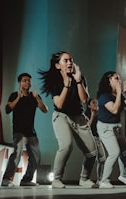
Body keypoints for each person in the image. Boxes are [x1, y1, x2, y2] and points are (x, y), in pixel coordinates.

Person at [39, 51, 97, 189]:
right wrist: (66, 84)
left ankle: (84, 179)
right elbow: (59, 104)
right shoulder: (55, 81)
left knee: (92, 152)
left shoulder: (80, 77)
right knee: (66, 145)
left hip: (79, 117)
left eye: (71, 60)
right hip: (62, 116)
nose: (70, 62)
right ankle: (57, 179)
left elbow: (84, 99)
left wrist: (77, 81)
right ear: (58, 65)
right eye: (65, 60)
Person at [1, 73, 48, 187]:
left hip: (31, 131)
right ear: (20, 83)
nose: (27, 83)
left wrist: (37, 97)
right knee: (17, 154)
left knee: (36, 157)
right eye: (25, 80)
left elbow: (45, 109)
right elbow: (8, 109)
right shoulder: (14, 95)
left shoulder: (34, 96)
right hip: (18, 131)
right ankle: (6, 179)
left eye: (29, 81)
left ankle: (26, 180)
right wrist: (18, 97)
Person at [96, 71, 126, 188]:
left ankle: (124, 175)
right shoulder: (104, 96)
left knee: (125, 152)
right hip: (105, 127)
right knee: (114, 152)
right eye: (116, 78)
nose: (120, 81)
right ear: (109, 81)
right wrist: (119, 93)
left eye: (119, 78)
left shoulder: (120, 95)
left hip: (117, 127)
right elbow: (114, 110)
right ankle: (104, 180)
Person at [85, 98, 106, 185]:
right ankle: (85, 178)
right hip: (90, 138)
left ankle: (100, 180)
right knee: (90, 158)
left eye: (97, 103)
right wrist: (93, 116)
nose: (96, 104)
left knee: (102, 159)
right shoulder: (86, 114)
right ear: (89, 105)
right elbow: (86, 127)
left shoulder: (100, 114)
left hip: (98, 138)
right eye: (93, 103)